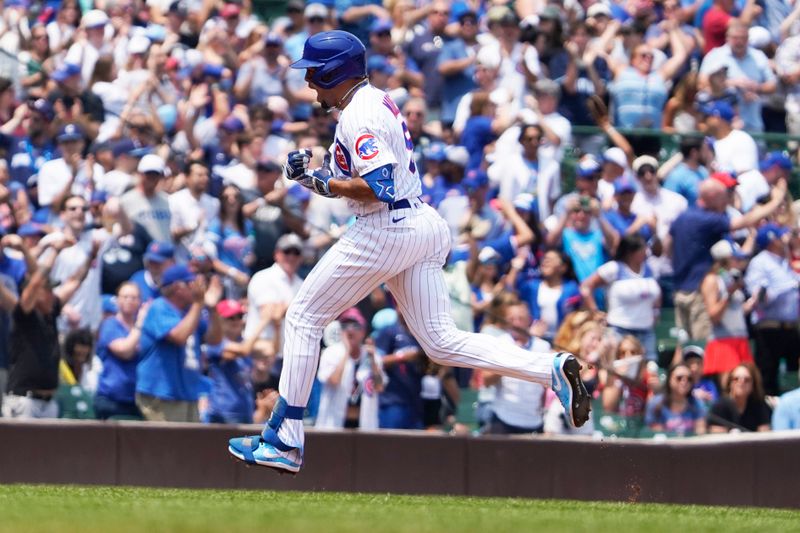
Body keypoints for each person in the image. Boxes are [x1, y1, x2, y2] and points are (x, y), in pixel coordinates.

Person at [229, 30, 591, 474]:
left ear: (334, 72)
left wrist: (324, 182)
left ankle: (283, 439)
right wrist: (312, 176)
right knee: (441, 342)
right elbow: (368, 178)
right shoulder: (372, 100)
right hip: (418, 222)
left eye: (315, 74)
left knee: (303, 317)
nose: (309, 84)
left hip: (388, 227)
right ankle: (549, 367)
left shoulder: (357, 114)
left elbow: (377, 186)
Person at [2, 237, 89, 419]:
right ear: (36, 295)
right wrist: (54, 252)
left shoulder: (51, 313)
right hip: (24, 401)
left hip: (48, 402)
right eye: (48, 291)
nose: (52, 294)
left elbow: (74, 282)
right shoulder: (24, 314)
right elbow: (35, 283)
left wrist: (92, 255)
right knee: (20, 448)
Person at [136, 265, 223, 423]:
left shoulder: (190, 311)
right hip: (161, 394)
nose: (198, 288)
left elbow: (214, 339)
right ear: (177, 287)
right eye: (192, 283)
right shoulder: (159, 307)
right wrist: (198, 304)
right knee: (168, 446)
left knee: (188, 446)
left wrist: (212, 308)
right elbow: (179, 336)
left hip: (187, 395)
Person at [581, 235, 661, 361]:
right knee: (617, 367)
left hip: (646, 330)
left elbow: (656, 295)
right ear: (630, 252)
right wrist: (595, 311)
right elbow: (586, 287)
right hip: (619, 329)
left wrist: (656, 312)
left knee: (649, 369)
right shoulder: (613, 268)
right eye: (642, 248)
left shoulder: (650, 269)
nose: (646, 251)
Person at [745, 223, 800, 396]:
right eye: (780, 236)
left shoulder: (783, 262)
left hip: (790, 328)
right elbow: (760, 299)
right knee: (768, 378)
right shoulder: (759, 263)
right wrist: (788, 286)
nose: (785, 239)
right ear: (771, 241)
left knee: (794, 373)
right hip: (769, 328)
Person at [315, 307, 384, 430]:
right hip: (334, 424)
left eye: (355, 326)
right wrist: (346, 352)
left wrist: (373, 361)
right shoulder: (331, 353)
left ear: (363, 331)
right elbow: (334, 380)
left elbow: (379, 387)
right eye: (345, 325)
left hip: (364, 425)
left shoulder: (372, 355)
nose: (350, 330)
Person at [701, 240, 755, 381]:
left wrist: (751, 304)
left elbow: (735, 312)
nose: (739, 261)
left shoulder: (732, 279)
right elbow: (714, 315)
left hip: (740, 339)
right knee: (730, 388)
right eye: (736, 258)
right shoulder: (712, 280)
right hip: (724, 342)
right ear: (725, 259)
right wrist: (729, 294)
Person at [94, 282, 148, 420]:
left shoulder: (144, 329)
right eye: (125, 297)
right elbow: (124, 351)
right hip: (111, 399)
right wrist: (140, 324)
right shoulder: (110, 324)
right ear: (117, 300)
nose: (129, 301)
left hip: (136, 400)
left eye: (134, 297)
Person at [645, 363, 708, 436]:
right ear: (669, 380)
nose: (684, 382)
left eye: (689, 379)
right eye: (679, 378)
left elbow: (700, 432)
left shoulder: (697, 404)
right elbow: (656, 434)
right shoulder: (655, 404)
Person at [708, 363, 772, 432]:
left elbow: (764, 437)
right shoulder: (720, 407)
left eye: (747, 380)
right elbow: (718, 439)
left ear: (753, 384)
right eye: (736, 379)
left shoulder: (760, 406)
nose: (741, 382)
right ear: (730, 383)